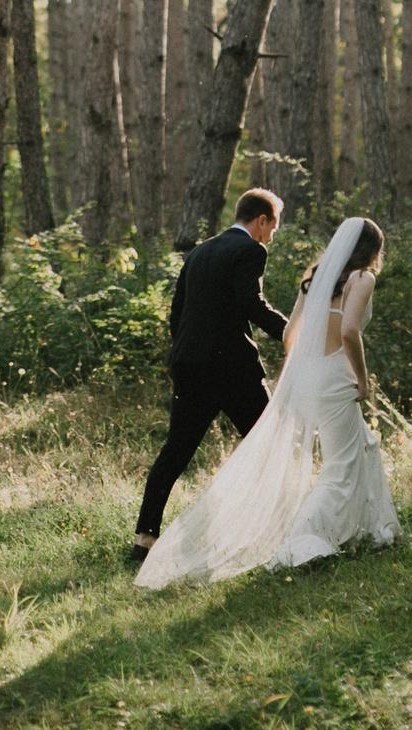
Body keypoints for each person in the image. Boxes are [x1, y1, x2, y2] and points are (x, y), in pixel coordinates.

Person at [134, 216, 402, 587]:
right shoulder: (363, 279)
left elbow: (291, 332)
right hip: (338, 377)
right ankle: (300, 541)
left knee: (363, 448)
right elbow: (350, 330)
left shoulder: (315, 276)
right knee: (340, 465)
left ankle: (368, 530)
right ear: (372, 250)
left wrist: (298, 374)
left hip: (310, 377)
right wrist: (362, 378)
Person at [129, 188, 291, 566]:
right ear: (261, 221)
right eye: (273, 227)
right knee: (268, 443)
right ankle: (279, 529)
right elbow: (250, 302)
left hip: (189, 365)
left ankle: (144, 541)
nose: (272, 236)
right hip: (232, 371)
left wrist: (189, 353)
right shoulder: (252, 250)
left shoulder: (198, 252)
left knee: (174, 453)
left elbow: (177, 313)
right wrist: (290, 332)